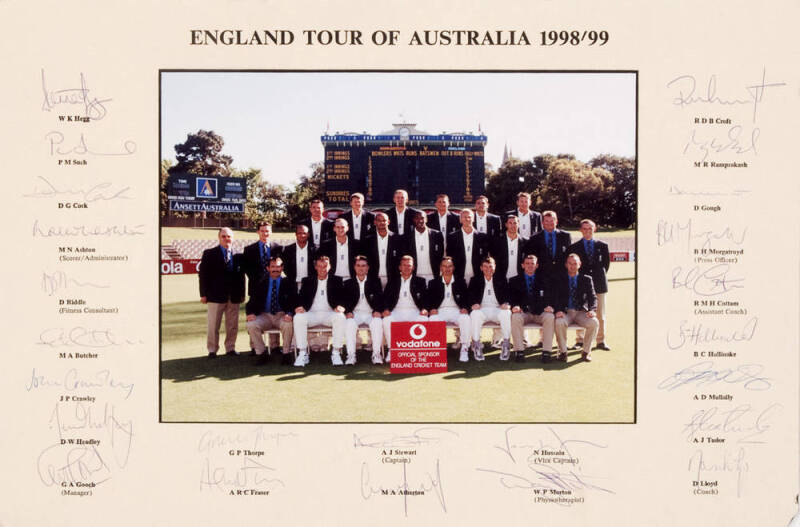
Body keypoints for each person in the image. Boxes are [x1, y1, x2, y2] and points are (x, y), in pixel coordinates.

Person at [199, 227, 245, 358]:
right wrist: (203, 294)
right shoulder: (209, 253)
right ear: (219, 238)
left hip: (233, 296)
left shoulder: (238, 255)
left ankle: (230, 348)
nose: (226, 239)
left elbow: (241, 277)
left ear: (233, 238)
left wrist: (242, 294)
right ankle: (212, 350)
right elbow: (203, 275)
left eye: (229, 236)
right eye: (223, 236)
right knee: (213, 325)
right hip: (215, 296)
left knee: (232, 325)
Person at [292, 255, 347, 367]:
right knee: (298, 317)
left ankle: (336, 352)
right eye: (320, 266)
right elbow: (300, 297)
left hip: (329, 314)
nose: (322, 269)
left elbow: (343, 297)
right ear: (316, 267)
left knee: (340, 317)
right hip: (311, 314)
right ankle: (302, 353)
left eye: (325, 266)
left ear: (330, 267)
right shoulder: (307, 281)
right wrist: (300, 306)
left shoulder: (337, 280)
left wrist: (342, 306)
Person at [568, 219, 611, 351]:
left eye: (590, 228)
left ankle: (600, 340)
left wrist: (597, 277)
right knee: (581, 311)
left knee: (600, 314)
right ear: (581, 230)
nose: (587, 231)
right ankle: (580, 340)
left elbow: (606, 265)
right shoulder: (574, 247)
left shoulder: (603, 245)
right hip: (582, 285)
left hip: (599, 283)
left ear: (594, 229)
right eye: (584, 229)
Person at [245, 257, 295, 365]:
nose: (275, 269)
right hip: (265, 315)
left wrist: (290, 313)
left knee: (288, 324)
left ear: (282, 268)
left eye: (278, 266)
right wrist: (250, 313)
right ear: (268, 268)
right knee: (251, 324)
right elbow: (251, 301)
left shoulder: (288, 282)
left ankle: (286, 354)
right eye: (273, 266)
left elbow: (293, 301)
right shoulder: (260, 282)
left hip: (281, 315)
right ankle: (261, 353)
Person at [509, 254, 556, 362]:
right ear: (522, 265)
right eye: (527, 264)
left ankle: (546, 352)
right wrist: (514, 306)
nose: (530, 266)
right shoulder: (514, 281)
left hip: (540, 312)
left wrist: (550, 306)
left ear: (537, 265)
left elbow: (550, 297)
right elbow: (511, 298)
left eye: (532, 264)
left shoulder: (544, 280)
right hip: (524, 313)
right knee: (515, 317)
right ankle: (519, 351)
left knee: (549, 317)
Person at [382, 255, 429, 361]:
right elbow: (385, 298)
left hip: (414, 311)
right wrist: (386, 309)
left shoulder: (420, 281)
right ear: (400, 267)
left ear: (413, 267)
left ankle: (416, 352)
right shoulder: (392, 281)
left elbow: (426, 298)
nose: (406, 268)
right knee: (386, 320)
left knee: (424, 319)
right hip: (396, 311)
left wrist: (425, 308)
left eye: (409, 265)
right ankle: (392, 350)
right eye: (404, 265)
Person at [553, 254, 599, 362]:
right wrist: (558, 310)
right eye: (570, 263)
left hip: (581, 312)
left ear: (579, 264)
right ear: (566, 265)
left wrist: (592, 310)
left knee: (594, 322)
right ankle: (563, 352)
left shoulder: (587, 279)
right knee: (559, 322)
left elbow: (593, 297)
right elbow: (555, 297)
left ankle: (586, 352)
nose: (572, 266)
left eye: (575, 264)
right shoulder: (559, 279)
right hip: (565, 312)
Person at [341, 256, 385, 364]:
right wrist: (348, 312)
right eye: (358, 265)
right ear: (354, 267)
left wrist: (377, 310)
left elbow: (380, 299)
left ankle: (376, 355)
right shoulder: (348, 283)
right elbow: (344, 301)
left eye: (363, 266)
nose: (361, 268)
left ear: (368, 268)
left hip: (371, 313)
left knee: (378, 322)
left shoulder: (375, 282)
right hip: (355, 314)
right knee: (349, 323)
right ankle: (351, 355)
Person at [427, 257, 472, 362]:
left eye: (450, 266)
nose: (447, 268)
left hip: (456, 310)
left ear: (453, 267)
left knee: (465, 318)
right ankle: (437, 351)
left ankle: (464, 348)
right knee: (433, 319)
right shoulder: (433, 282)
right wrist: (432, 309)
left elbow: (467, 298)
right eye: (444, 266)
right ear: (440, 268)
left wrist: (465, 308)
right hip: (440, 311)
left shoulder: (460, 281)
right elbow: (428, 299)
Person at [467, 257, 512, 360]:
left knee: (506, 313)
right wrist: (473, 304)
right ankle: (477, 344)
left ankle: (506, 344)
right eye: (485, 267)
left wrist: (506, 304)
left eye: (491, 266)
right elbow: (469, 297)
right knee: (474, 314)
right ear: (481, 268)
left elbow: (508, 295)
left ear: (495, 267)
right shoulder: (475, 280)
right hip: (482, 309)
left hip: (497, 309)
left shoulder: (501, 279)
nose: (488, 269)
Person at [447, 208, 489, 283]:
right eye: (464, 217)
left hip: (477, 275)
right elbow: (450, 256)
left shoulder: (482, 237)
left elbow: (485, 257)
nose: (467, 219)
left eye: (469, 217)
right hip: (458, 275)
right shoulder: (452, 237)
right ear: (460, 220)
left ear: (473, 219)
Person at [364, 212, 405, 287]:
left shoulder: (398, 239)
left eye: (384, 220)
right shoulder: (368, 240)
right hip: (374, 278)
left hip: (393, 278)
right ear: (375, 222)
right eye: (379, 220)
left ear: (388, 222)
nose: (382, 222)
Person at [528, 210, 572, 280]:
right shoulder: (534, 238)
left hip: (561, 274)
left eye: (552, 220)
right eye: (546, 221)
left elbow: (569, 254)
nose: (549, 223)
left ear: (556, 222)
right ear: (542, 223)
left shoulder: (565, 236)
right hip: (542, 275)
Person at [242, 221, 282, 297]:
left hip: (274, 286)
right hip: (256, 287)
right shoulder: (249, 250)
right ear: (258, 232)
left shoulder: (278, 248)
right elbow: (247, 268)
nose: (265, 233)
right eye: (262, 231)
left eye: (267, 231)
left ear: (271, 232)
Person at [404, 211, 444, 284]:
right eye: (417, 218)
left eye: (422, 218)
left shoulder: (437, 235)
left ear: (426, 219)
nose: (420, 220)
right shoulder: (407, 236)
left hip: (433, 275)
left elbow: (440, 255)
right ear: (413, 220)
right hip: (415, 275)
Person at [490, 215, 526, 281]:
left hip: (518, 278)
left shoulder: (525, 241)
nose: (513, 226)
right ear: (506, 225)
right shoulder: (497, 241)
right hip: (501, 277)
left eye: (515, 223)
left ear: (519, 224)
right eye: (510, 223)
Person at [281, 224, 315, 292]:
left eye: (304, 233)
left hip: (309, 284)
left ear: (308, 234)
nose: (302, 235)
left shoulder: (315, 250)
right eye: (299, 233)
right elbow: (285, 267)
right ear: (296, 234)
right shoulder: (288, 250)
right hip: (293, 284)